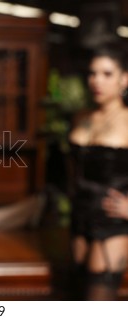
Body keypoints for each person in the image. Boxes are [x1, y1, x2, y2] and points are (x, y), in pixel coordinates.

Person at [68, 44, 128, 300]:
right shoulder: (81, 117)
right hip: (79, 218)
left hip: (111, 222)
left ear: (125, 78)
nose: (97, 81)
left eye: (107, 74)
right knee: (73, 297)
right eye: (93, 74)